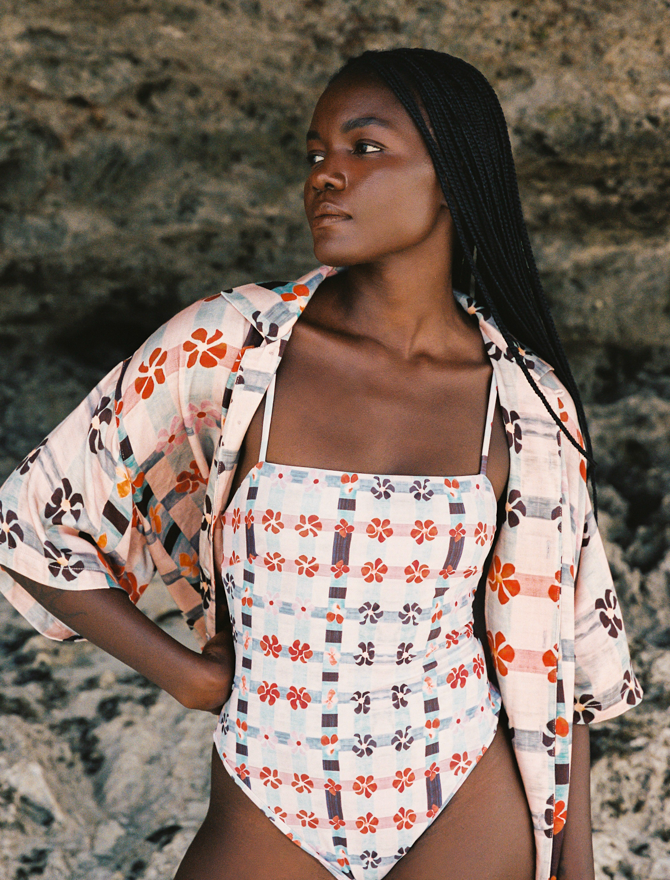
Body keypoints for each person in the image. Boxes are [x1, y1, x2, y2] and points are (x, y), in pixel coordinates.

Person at [0, 48, 642, 881]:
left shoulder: (525, 404)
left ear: (451, 175)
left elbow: (560, 659)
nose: (326, 177)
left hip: (461, 793)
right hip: (267, 797)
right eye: (315, 154)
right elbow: (31, 518)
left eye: (364, 149)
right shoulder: (228, 347)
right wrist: (188, 677)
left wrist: (576, 869)